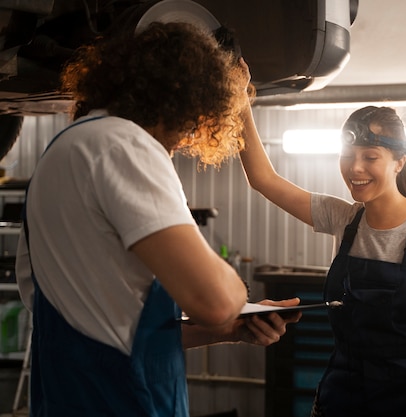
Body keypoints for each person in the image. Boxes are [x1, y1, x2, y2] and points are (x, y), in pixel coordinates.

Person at [15, 22, 299, 417]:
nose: (193, 134)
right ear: (185, 96)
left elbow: (116, 327)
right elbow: (216, 302)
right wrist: (232, 301)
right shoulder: (125, 146)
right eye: (200, 117)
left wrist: (232, 330)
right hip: (124, 403)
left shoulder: (64, 150)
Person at [237, 75, 406, 416]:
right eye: (349, 155)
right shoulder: (344, 219)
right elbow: (263, 179)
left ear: (399, 162)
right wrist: (239, 99)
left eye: (370, 157)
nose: (355, 168)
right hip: (341, 401)